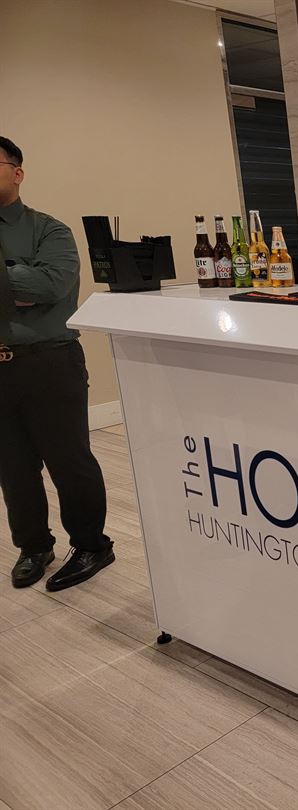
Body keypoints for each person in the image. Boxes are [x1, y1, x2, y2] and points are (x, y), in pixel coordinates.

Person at [0, 136, 113, 590]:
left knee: (69, 460)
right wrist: (15, 280)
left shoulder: (49, 230)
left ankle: (91, 545)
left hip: (49, 361)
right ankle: (33, 546)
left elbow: (49, 287)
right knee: (12, 465)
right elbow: (25, 289)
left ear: (17, 172)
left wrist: (21, 285)